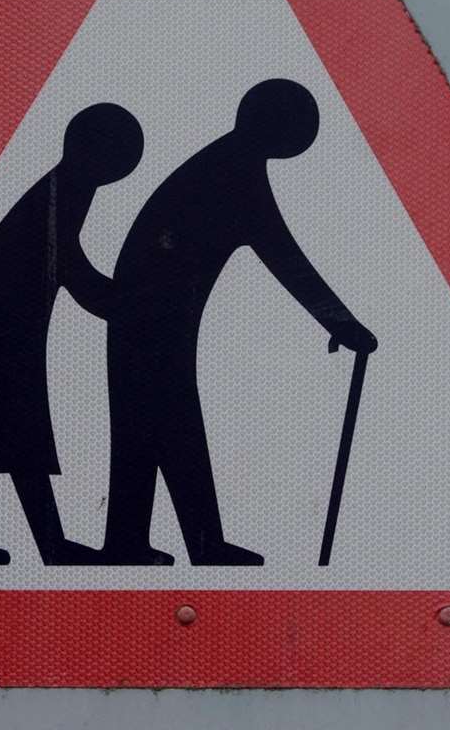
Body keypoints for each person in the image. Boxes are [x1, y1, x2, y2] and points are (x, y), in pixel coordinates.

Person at [100, 78, 377, 566]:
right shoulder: (234, 174)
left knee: (152, 429)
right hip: (151, 322)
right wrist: (343, 324)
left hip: (150, 320)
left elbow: (280, 254)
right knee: (164, 427)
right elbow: (285, 257)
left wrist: (341, 324)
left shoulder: (227, 164)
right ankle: (185, 544)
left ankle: (152, 542)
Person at [0, 102, 143, 565]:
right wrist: (125, 304)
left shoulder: (69, 186)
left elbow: (65, 261)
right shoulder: (63, 192)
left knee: (0, 439)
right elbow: (68, 262)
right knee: (2, 436)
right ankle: (34, 545)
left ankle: (17, 543)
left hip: (5, 332)